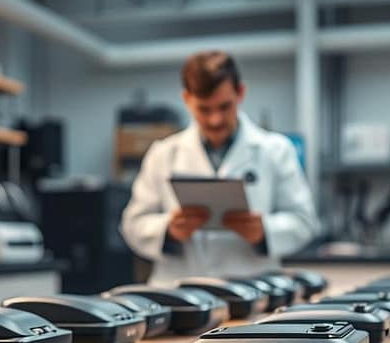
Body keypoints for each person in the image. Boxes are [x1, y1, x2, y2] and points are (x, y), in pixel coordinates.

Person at [121, 51, 319, 284]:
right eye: (204, 109)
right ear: (187, 98)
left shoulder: (275, 150)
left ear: (241, 93)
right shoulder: (163, 154)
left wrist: (264, 231)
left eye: (225, 107)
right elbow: (132, 224)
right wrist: (168, 230)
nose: (215, 120)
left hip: (252, 290)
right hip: (178, 294)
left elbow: (304, 222)